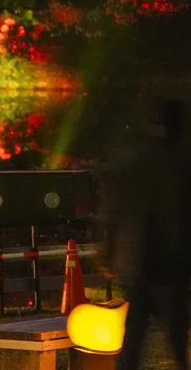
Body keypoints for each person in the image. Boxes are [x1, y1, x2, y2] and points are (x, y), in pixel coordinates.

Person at [102, 99, 191, 370]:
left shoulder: (132, 159)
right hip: (171, 260)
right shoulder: (180, 160)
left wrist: (108, 252)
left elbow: (114, 210)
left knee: (134, 337)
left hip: (137, 259)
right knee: (176, 336)